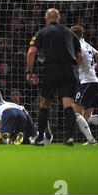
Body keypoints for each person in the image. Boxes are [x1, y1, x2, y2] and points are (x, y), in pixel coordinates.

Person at [26, 8, 82, 146]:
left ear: (46, 19)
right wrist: (76, 69)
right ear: (59, 18)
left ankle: (39, 138)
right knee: (68, 104)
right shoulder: (69, 32)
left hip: (52, 69)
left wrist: (29, 71)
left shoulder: (42, 32)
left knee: (44, 103)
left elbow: (32, 52)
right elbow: (80, 55)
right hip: (69, 70)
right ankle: (69, 138)